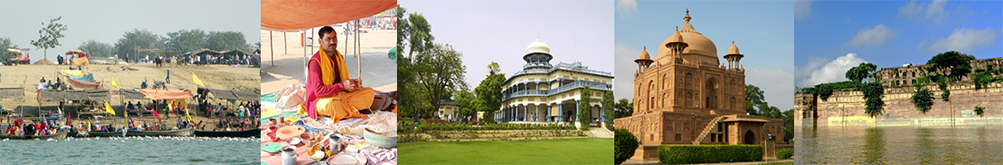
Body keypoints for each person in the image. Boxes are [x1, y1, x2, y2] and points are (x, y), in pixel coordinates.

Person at [306, 26, 375, 123]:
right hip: (321, 100)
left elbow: (340, 82)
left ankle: (345, 111)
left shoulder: (339, 57)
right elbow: (318, 91)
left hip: (340, 95)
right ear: (320, 41)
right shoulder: (315, 62)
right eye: (328, 39)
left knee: (369, 93)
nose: (332, 42)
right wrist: (343, 85)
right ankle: (350, 110)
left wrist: (352, 84)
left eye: (334, 38)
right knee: (332, 105)